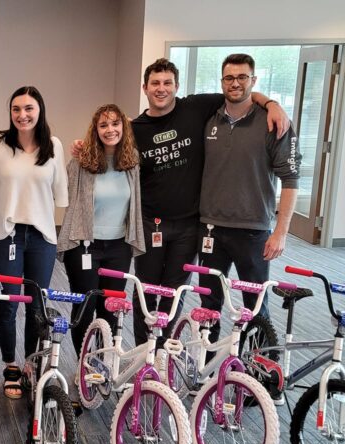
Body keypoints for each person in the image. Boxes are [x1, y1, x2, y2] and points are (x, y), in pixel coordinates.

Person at [74, 58, 290, 346]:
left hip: (190, 227)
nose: (161, 89)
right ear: (145, 88)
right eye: (155, 83)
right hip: (150, 225)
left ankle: (162, 354)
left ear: (177, 86)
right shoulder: (134, 129)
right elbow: (106, 140)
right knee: (147, 293)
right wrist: (82, 146)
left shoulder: (196, 107)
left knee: (176, 294)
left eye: (167, 83)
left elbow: (241, 93)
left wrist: (272, 104)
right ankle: (144, 354)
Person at [198, 53, 299, 342]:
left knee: (255, 307)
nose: (235, 83)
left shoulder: (273, 122)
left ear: (253, 81)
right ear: (222, 81)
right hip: (210, 228)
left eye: (243, 77)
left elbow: (290, 180)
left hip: (254, 231)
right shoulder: (210, 117)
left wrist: (281, 232)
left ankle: (255, 371)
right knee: (209, 305)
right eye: (229, 77)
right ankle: (208, 369)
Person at [0, 86, 68, 400]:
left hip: (42, 236)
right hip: (6, 235)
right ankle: (10, 366)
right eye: (16, 109)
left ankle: (31, 365)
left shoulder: (53, 146)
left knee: (37, 306)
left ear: (40, 110)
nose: (22, 115)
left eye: (29, 108)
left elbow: (60, 193)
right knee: (8, 303)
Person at [57, 104, 145, 355]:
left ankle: (103, 361)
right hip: (84, 246)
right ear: (94, 130)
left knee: (111, 308)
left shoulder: (132, 162)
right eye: (103, 125)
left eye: (116, 124)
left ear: (123, 127)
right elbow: (70, 203)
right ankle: (83, 365)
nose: (110, 129)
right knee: (85, 305)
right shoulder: (80, 163)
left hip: (119, 246)